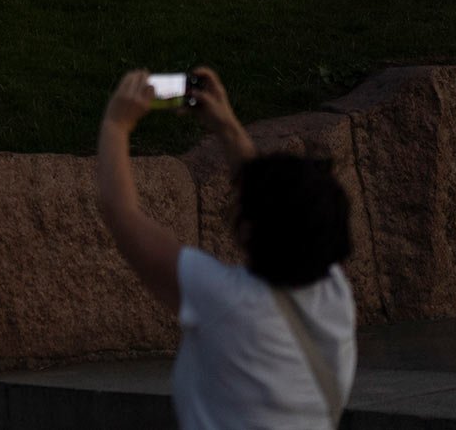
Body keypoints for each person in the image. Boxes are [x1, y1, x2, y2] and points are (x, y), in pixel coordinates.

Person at [96, 67, 356, 429]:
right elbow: (275, 205)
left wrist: (116, 124)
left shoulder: (224, 301)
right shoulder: (336, 295)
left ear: (248, 230)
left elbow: (120, 212)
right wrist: (226, 125)